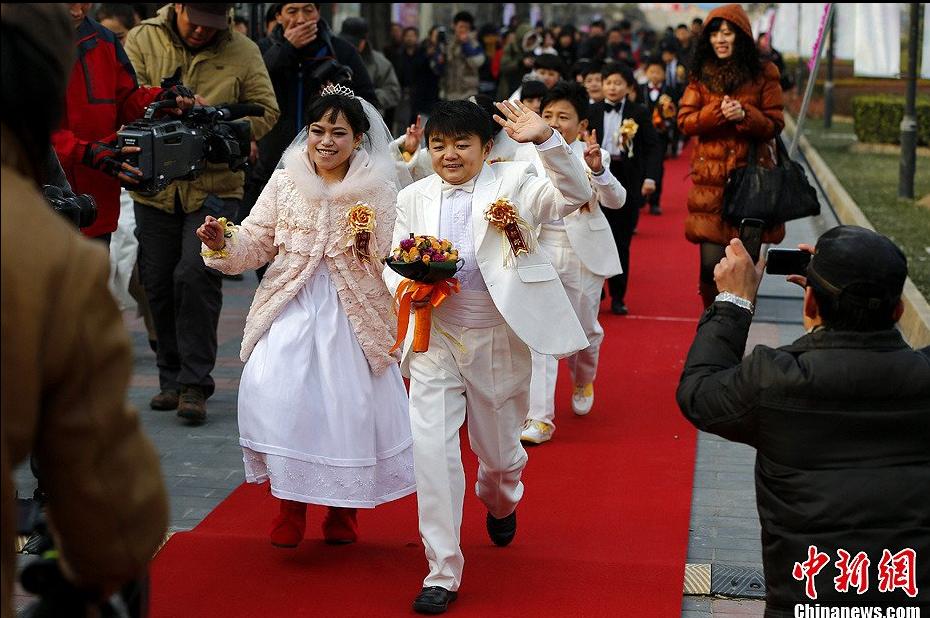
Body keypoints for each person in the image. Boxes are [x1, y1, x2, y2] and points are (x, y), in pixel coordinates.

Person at [384, 99, 592, 614]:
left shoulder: (515, 183)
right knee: (432, 452)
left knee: (497, 458)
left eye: (461, 144)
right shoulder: (412, 196)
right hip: (433, 337)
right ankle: (441, 571)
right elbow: (393, 258)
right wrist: (411, 277)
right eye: (438, 145)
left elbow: (575, 193)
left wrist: (547, 141)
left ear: (486, 147)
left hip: (498, 335)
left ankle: (501, 497)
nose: (449, 155)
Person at [1, 4, 168, 616]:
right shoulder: (44, 254)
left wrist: (158, 102)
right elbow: (97, 461)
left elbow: (125, 98)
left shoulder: (104, 45)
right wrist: (107, 557)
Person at [196, 87, 416, 549]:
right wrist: (221, 241)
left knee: (348, 408)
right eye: (318, 131)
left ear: (358, 139)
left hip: (354, 312)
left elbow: (394, 253)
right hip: (291, 305)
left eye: (339, 133)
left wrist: (419, 270)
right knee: (283, 397)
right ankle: (290, 507)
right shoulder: (284, 181)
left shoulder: (380, 189)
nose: (326, 141)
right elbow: (255, 240)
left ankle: (343, 511)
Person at [677, 226, 930, 617]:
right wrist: (852, 276)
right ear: (898, 311)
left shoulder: (774, 380)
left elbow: (699, 391)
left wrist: (732, 301)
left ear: (810, 301)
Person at [123, 3, 280, 423]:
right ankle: (169, 376)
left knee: (195, 274)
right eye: (195, 21)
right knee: (155, 280)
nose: (201, 32)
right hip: (154, 185)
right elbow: (123, 99)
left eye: (212, 25)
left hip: (214, 185)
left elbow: (267, 110)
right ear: (177, 7)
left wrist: (224, 124)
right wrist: (165, 107)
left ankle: (195, 384)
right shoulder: (141, 39)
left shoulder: (243, 50)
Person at [516, 82, 626, 444]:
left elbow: (617, 201)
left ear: (581, 124)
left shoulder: (593, 154)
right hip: (539, 247)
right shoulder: (525, 155)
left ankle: (583, 377)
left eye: (564, 116)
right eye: (547, 115)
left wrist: (599, 173)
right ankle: (540, 418)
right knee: (541, 332)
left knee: (583, 331)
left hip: (582, 253)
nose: (554, 122)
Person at [52, 3, 191, 244]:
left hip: (95, 202)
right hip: (41, 203)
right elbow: (22, 130)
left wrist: (160, 99)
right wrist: (86, 152)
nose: (78, 10)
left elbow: (126, 100)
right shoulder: (20, 41)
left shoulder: (104, 40)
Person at [677, 3, 784, 308]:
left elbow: (775, 123)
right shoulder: (702, 75)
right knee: (709, 270)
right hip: (711, 186)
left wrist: (745, 114)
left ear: (742, 36)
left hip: (752, 185)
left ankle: (737, 330)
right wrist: (717, 113)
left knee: (743, 272)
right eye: (715, 34)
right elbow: (685, 121)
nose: (720, 40)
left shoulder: (765, 73)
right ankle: (713, 324)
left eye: (727, 33)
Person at [588, 62, 662, 315]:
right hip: (595, 176)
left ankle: (619, 295)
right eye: (608, 82)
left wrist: (650, 178)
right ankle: (596, 292)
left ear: (628, 87)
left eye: (618, 83)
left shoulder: (639, 112)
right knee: (595, 236)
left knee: (621, 241)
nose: (612, 87)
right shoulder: (591, 111)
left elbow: (653, 147)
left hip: (626, 177)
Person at [640, 57, 681, 215]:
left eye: (658, 72)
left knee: (657, 167)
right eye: (651, 72)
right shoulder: (640, 88)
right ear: (646, 73)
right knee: (641, 165)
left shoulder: (670, 90)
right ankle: (641, 197)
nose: (655, 75)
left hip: (660, 136)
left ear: (664, 74)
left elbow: (675, 113)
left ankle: (655, 201)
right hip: (642, 135)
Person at [340, 17, 401, 116]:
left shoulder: (380, 63)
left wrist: (367, 97)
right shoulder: (335, 56)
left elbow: (393, 92)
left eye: (352, 43)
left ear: (363, 41)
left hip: (369, 118)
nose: (349, 46)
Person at [441, 11, 485, 101]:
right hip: (449, 94)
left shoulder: (475, 44)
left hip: (468, 94)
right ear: (454, 26)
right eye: (461, 27)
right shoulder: (448, 44)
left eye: (466, 27)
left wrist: (466, 45)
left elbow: (476, 63)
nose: (463, 30)